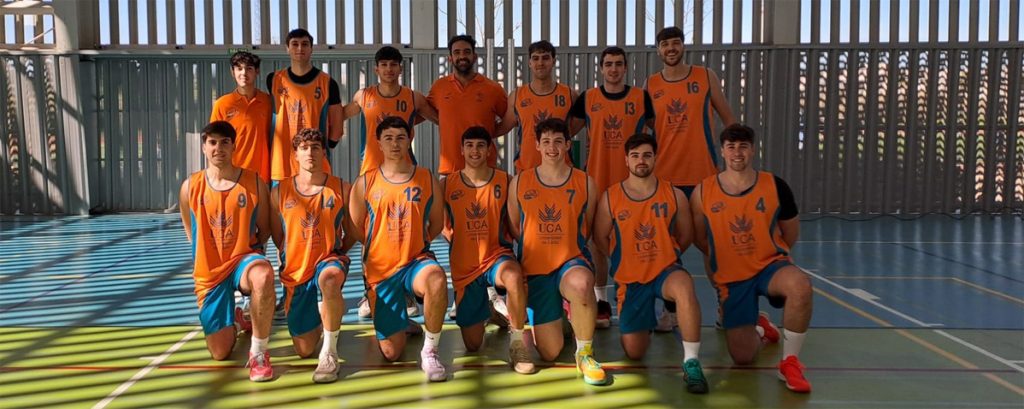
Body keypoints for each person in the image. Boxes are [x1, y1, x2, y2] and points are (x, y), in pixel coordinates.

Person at [691, 124, 813, 393]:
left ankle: (790, 362)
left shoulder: (775, 185)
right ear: (722, 151)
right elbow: (700, 238)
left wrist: (770, 254)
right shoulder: (703, 191)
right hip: (733, 277)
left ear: (753, 150)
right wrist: (726, 257)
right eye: (731, 147)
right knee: (743, 357)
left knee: (800, 285)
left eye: (743, 146)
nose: (737, 152)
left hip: (770, 266)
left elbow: (790, 232)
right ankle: (761, 328)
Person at [592, 133, 708, 394]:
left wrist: (668, 253)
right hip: (631, 278)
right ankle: (647, 319)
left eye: (646, 155)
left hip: (665, 271)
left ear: (655, 158)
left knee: (684, 285)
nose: (641, 160)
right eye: (635, 156)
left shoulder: (674, 195)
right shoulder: (611, 197)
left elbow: (686, 235)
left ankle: (691, 361)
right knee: (634, 351)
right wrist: (623, 259)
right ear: (626, 160)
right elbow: (600, 237)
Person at [647, 26, 737, 331]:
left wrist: (733, 161)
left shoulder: (705, 76)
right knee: (668, 247)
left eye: (676, 43)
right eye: (665, 44)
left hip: (704, 176)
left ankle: (725, 305)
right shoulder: (651, 84)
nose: (671, 48)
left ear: (683, 46)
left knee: (712, 246)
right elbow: (646, 129)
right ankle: (671, 310)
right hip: (666, 179)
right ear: (658, 50)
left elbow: (728, 118)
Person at [348, 116, 450, 382]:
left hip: (416, 261)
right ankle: (401, 321)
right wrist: (378, 247)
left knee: (436, 279)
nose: (395, 144)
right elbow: (355, 226)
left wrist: (415, 241)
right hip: (381, 270)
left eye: (400, 138)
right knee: (392, 352)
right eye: (389, 138)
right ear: (379, 143)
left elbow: (437, 223)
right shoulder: (365, 182)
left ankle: (430, 350)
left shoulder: (426, 178)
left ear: (409, 140)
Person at [507, 118, 608, 385]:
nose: (552, 147)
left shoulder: (585, 182)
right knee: (550, 352)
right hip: (536, 270)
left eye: (558, 141)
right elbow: (516, 226)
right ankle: (564, 316)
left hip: (570, 262)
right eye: (546, 141)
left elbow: (587, 227)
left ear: (567, 145)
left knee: (582, 284)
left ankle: (585, 353)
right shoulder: (520, 182)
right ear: (537, 145)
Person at [344, 45, 438, 320]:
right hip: (371, 173)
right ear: (376, 69)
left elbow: (440, 117)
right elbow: (341, 114)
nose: (388, 69)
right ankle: (369, 290)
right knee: (369, 235)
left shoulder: (412, 96)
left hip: (404, 173)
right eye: (383, 65)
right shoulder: (364, 96)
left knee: (406, 230)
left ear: (400, 68)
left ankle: (405, 289)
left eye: (393, 65)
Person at [177, 121, 276, 382]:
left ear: (234, 146)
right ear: (203, 147)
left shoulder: (254, 182)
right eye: (212, 142)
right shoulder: (190, 187)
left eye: (224, 142)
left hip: (243, 261)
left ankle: (259, 353)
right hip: (210, 272)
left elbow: (264, 229)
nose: (218, 148)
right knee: (220, 352)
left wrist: (247, 250)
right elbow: (191, 231)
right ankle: (236, 319)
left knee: (263, 275)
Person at [568, 46, 655, 328]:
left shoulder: (640, 97)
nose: (614, 69)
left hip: (633, 185)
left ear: (625, 67)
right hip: (597, 181)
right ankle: (602, 301)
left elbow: (661, 132)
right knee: (597, 243)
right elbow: (565, 132)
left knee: (633, 241)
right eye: (608, 64)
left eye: (618, 64)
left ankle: (635, 297)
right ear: (601, 68)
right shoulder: (589, 98)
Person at [442, 126, 535, 374]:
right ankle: (491, 312)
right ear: (462, 150)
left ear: (489, 150)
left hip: (497, 256)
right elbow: (439, 222)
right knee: (473, 345)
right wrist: (454, 238)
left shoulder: (506, 181)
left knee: (513, 277)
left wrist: (530, 252)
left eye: (480, 146)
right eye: (469, 145)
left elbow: (515, 225)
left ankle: (517, 344)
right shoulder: (447, 184)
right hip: (465, 267)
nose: (475, 151)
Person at [269, 128, 355, 383]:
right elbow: (277, 235)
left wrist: (338, 253)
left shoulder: (341, 188)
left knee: (329, 279)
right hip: (296, 271)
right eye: (304, 148)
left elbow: (352, 231)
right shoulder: (279, 192)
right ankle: (324, 313)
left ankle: (329, 352)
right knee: (304, 349)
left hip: (328, 261)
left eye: (316, 147)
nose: (310, 153)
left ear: (323, 153)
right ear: (295, 154)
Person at [267, 28, 344, 181]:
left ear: (311, 48)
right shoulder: (274, 79)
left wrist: (324, 147)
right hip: (282, 165)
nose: (300, 48)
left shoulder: (327, 82)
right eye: (295, 44)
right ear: (287, 48)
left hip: (315, 166)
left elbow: (337, 126)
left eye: (305, 44)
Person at [427, 34, 508, 176]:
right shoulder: (439, 87)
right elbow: (424, 111)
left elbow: (509, 119)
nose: (462, 56)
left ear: (475, 56)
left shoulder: (493, 89)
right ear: (450, 58)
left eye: (467, 52)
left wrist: (489, 132)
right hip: (450, 170)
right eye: (457, 52)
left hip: (485, 169)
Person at [495, 40, 581, 172]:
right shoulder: (517, 95)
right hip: (527, 169)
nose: (540, 63)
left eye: (545, 58)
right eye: (535, 58)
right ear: (529, 63)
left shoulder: (570, 95)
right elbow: (503, 127)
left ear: (554, 61)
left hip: (561, 171)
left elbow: (578, 125)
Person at [210, 51, 273, 184]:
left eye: (249, 68)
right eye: (239, 68)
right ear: (232, 72)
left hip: (261, 176)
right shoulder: (222, 104)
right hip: (232, 176)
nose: (243, 73)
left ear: (257, 71)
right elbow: (213, 143)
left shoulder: (268, 102)